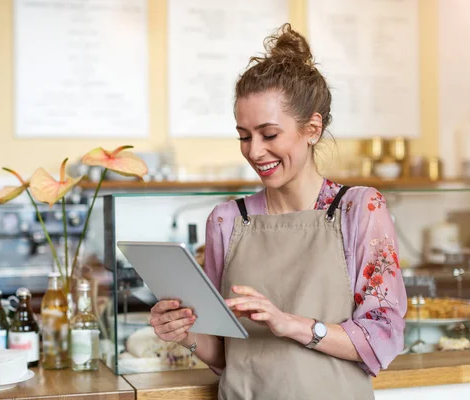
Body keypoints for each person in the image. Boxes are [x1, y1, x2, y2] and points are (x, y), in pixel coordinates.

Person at [149, 23, 407, 400]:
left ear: (312, 129)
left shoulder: (359, 208)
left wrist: (291, 324)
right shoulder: (226, 221)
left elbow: (381, 338)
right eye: (243, 135)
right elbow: (226, 352)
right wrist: (184, 334)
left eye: (269, 135)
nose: (254, 151)